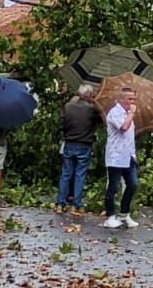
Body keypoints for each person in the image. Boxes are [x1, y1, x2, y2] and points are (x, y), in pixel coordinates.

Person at [55, 84, 99, 215]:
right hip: (84, 144)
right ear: (89, 95)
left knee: (66, 174)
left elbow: (61, 125)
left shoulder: (68, 107)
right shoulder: (91, 110)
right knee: (80, 175)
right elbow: (101, 121)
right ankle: (76, 205)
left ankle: (60, 204)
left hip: (69, 143)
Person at [102, 84, 139, 229]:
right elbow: (123, 128)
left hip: (128, 154)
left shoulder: (128, 113)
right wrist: (131, 114)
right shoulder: (115, 113)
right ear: (122, 99)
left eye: (133, 99)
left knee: (132, 184)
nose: (132, 102)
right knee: (114, 186)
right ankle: (110, 215)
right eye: (129, 99)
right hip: (116, 155)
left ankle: (124, 213)